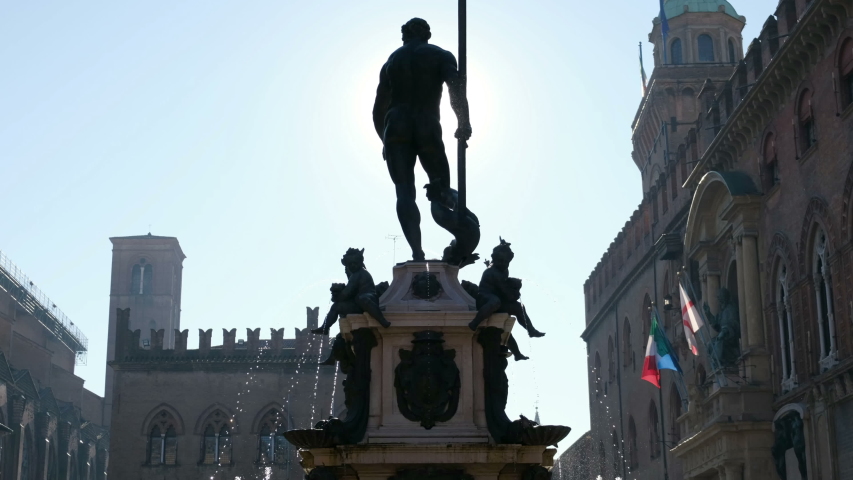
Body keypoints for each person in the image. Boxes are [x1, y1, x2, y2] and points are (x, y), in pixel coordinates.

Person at [373, 18, 472, 262]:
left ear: (404, 36)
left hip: (395, 125)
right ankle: (458, 225)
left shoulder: (392, 62)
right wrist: (463, 121)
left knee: (404, 192)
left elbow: (378, 109)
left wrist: (383, 140)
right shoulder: (440, 55)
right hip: (427, 123)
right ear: (427, 35)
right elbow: (456, 90)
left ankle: (417, 253)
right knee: (441, 188)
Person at [468, 240, 545, 338]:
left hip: (498, 299)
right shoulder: (493, 272)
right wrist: (515, 292)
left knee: (518, 307)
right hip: (484, 299)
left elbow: (504, 285)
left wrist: (513, 282)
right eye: (500, 261)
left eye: (506, 262)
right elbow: (506, 293)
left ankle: (531, 330)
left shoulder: (504, 270)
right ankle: (475, 322)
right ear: (494, 260)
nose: (503, 263)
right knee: (494, 301)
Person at [311, 249, 390, 335]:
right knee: (336, 307)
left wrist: (337, 297)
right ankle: (325, 327)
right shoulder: (354, 275)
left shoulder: (359, 274)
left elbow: (347, 293)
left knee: (362, 298)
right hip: (359, 304)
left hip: (369, 299)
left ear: (360, 262)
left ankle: (382, 320)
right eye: (350, 264)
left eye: (355, 263)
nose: (352, 266)